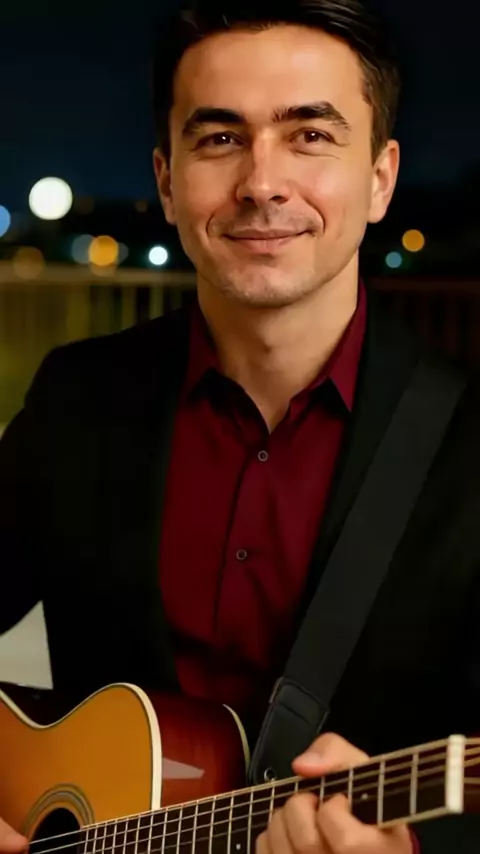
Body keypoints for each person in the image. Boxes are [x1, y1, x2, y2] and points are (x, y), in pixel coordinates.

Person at [1, 0, 479, 852]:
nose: (262, 182)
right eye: (221, 138)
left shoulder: (469, 443)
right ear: (166, 179)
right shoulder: (77, 397)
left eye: (310, 135)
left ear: (381, 179)